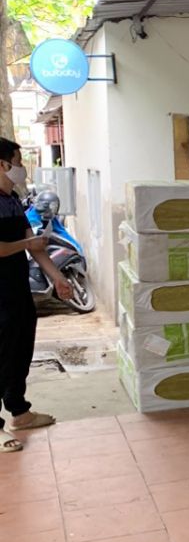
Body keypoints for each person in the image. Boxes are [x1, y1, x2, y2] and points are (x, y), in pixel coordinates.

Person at [0, 138, 73, 452]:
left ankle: (20, 412)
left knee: (20, 349)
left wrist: (58, 278)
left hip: (17, 289)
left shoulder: (13, 199)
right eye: (18, 161)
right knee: (1, 354)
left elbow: (35, 244)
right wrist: (27, 245)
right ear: (3, 164)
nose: (21, 167)